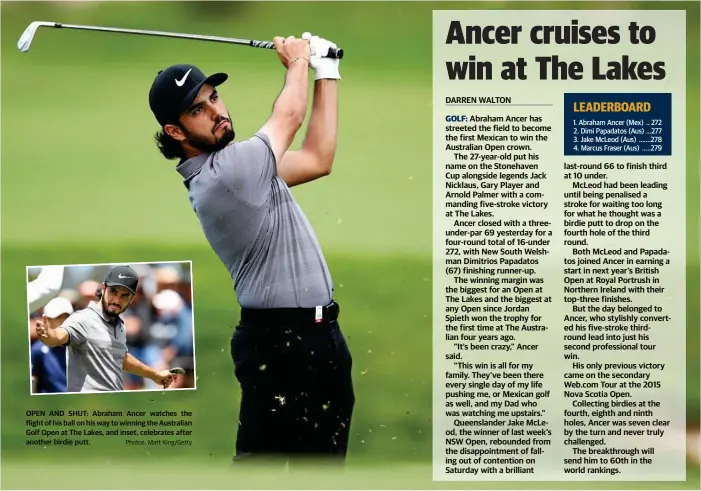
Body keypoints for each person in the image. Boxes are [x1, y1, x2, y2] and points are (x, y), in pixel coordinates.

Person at [147, 33, 355, 465]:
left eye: (214, 97)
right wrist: (299, 60)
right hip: (283, 343)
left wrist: (327, 71)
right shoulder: (228, 176)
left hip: (316, 339)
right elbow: (290, 116)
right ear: (174, 130)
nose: (216, 112)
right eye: (197, 110)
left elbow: (318, 158)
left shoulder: (244, 169)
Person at [34, 265, 178, 393]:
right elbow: (60, 336)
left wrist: (155, 375)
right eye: (113, 292)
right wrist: (50, 336)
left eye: (124, 296)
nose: (116, 300)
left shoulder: (118, 324)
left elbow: (121, 358)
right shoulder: (83, 319)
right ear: (102, 289)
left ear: (132, 298)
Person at [30, 297, 73, 393]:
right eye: (57, 317)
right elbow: (34, 381)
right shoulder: (38, 349)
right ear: (46, 320)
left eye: (66, 317)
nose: (62, 321)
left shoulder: (80, 346)